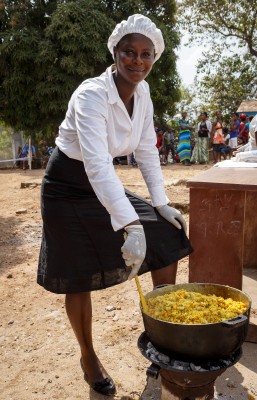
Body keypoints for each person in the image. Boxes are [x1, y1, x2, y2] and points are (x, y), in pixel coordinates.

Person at [37, 14, 193, 396]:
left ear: (153, 58)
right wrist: (130, 225)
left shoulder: (144, 93)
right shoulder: (90, 95)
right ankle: (88, 355)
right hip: (66, 187)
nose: (137, 61)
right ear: (115, 53)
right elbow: (96, 164)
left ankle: (163, 340)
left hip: (100, 186)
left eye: (145, 54)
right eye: (129, 52)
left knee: (169, 235)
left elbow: (146, 150)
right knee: (78, 275)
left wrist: (160, 203)